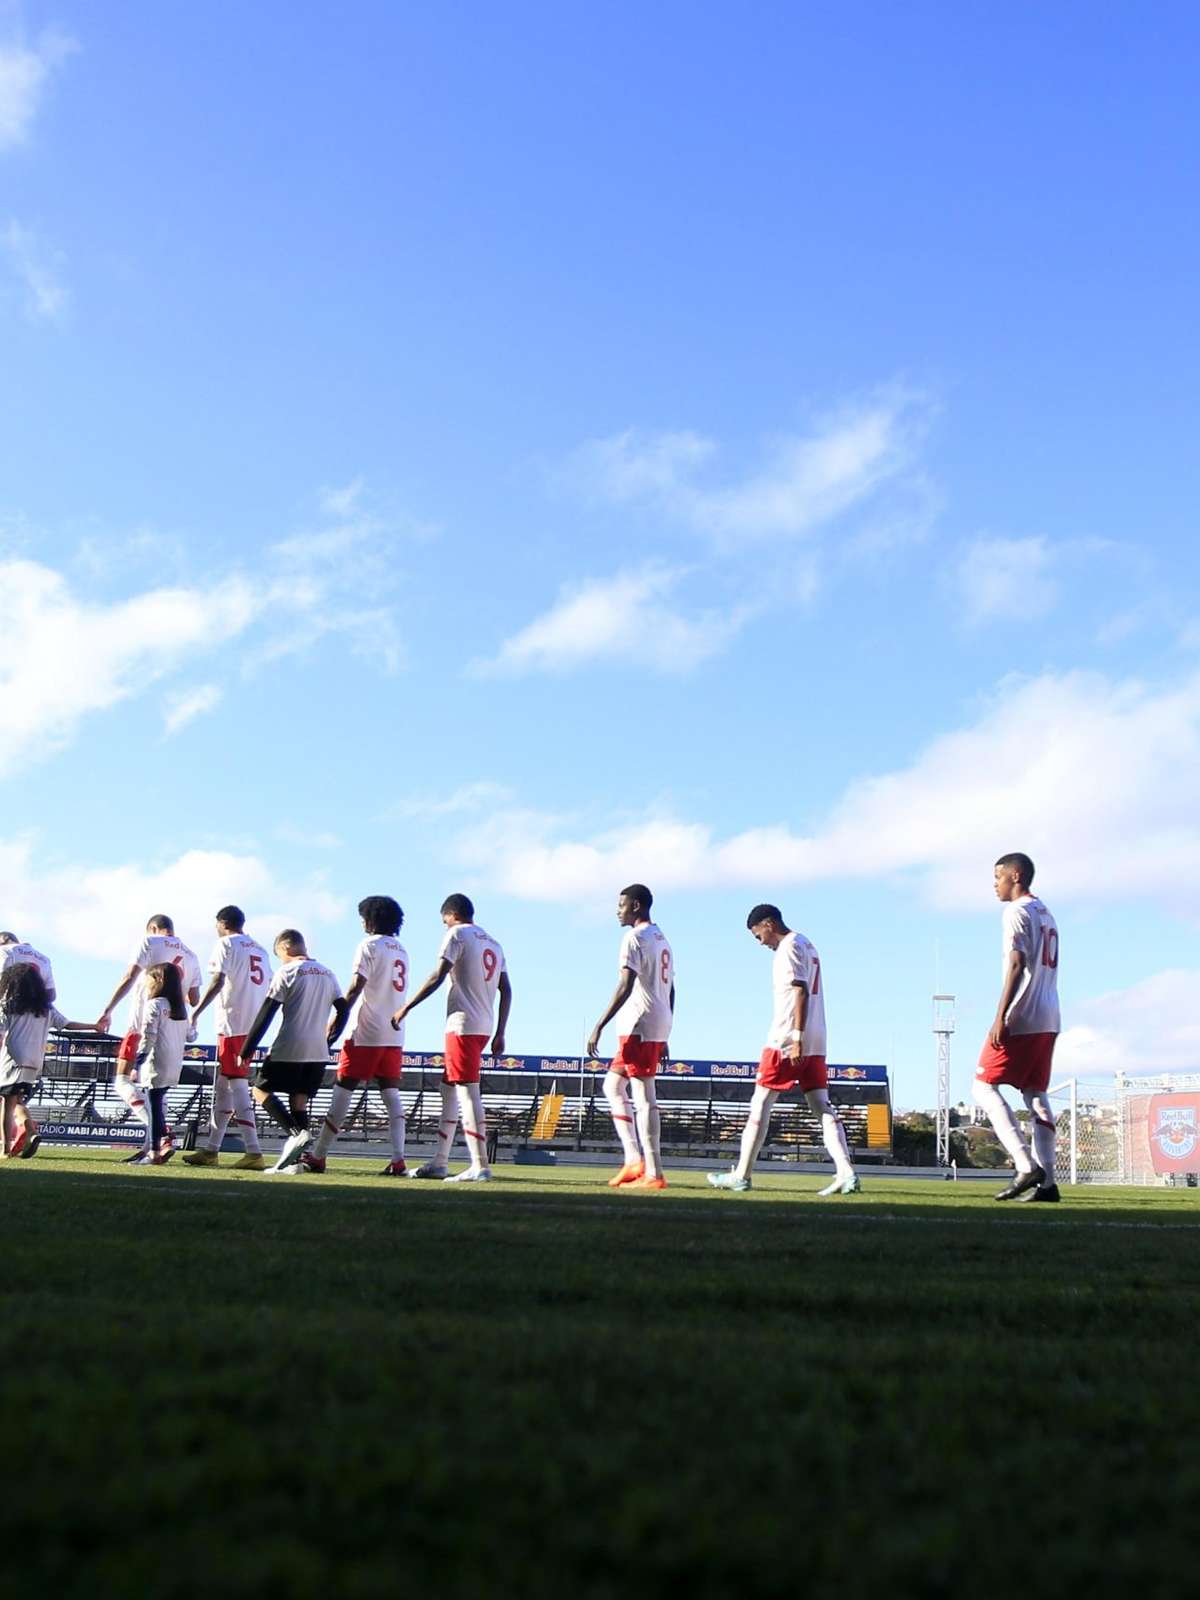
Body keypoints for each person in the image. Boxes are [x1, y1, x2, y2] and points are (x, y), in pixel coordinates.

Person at [709, 905, 859, 1196]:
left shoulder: (788, 948)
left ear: (769, 923)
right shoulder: (807, 943)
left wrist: (796, 1037)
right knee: (821, 1106)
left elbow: (799, 989)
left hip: (788, 1037)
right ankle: (846, 1171)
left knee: (760, 1103)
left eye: (758, 936)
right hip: (819, 1037)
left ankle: (741, 1175)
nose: (761, 943)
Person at [392, 893, 510, 1183]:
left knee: (468, 1090)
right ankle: (440, 1161)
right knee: (448, 1087)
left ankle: (480, 1164)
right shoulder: (493, 942)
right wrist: (501, 1031)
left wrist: (406, 1007)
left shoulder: (456, 934)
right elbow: (506, 989)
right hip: (483, 1024)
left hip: (462, 1023)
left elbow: (438, 975)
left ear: (451, 915)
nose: (444, 926)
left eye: (444, 920)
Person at [294, 895, 410, 1177]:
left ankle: (319, 1155)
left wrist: (338, 1015)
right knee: (391, 1093)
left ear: (371, 919)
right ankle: (398, 1160)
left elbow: (358, 984)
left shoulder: (368, 945)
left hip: (366, 1030)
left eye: (363, 917)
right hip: (394, 1033)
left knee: (343, 1089)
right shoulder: (401, 949)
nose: (361, 922)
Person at [973, 853, 1061, 1202]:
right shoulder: (1046, 913)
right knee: (1035, 1094)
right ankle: (1049, 1183)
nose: (995, 884)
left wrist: (1000, 1015)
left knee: (982, 1086)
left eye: (998, 877)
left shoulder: (1016, 912)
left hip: (1022, 1014)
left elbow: (1016, 963)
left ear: (1016, 875)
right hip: (1049, 1014)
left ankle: (1026, 1165)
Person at [587, 883, 674, 1191]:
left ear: (636, 906)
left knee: (643, 1095)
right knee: (612, 1085)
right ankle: (634, 1158)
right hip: (656, 1020)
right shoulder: (662, 939)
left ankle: (654, 1172)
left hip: (639, 1022)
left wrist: (599, 1023)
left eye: (621, 905)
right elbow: (671, 988)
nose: (617, 910)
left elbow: (625, 984)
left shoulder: (634, 938)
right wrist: (666, 1030)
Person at [238, 930, 345, 1173]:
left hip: (290, 1045)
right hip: (318, 1051)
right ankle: (299, 1162)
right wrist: (330, 1039)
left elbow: (268, 1011)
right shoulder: (328, 973)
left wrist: (247, 1049)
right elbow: (343, 1009)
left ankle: (296, 1133)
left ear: (285, 949)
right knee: (299, 1100)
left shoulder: (287, 971)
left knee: (259, 1090)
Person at [96, 916, 202, 1161]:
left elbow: (130, 975)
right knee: (158, 1092)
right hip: (175, 1026)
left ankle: (161, 1136)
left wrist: (107, 1010)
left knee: (122, 1081)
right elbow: (194, 999)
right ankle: (149, 1147)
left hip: (142, 1022)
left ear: (153, 928)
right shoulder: (192, 955)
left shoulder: (150, 941)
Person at [183, 906, 271, 1170]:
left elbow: (218, 980)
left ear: (222, 923)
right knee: (223, 1085)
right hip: (253, 1023)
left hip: (233, 1022)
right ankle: (212, 1149)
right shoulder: (261, 949)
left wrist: (196, 1013)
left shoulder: (226, 944)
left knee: (237, 1084)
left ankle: (254, 1151)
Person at [0, 963, 94, 1159]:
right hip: (34, 1063)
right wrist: (94, 1026)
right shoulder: (46, 1009)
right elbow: (67, 1024)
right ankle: (29, 1132)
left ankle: (6, 1148)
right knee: (17, 1100)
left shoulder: (9, 1005)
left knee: (6, 1105)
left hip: (12, 1060)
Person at [128, 963, 192, 1166]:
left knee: (154, 1106)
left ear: (158, 980)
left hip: (156, 1060)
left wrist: (137, 1063)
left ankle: (155, 1151)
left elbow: (149, 1037)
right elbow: (191, 1035)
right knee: (156, 1103)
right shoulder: (181, 1008)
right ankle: (161, 1144)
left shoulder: (155, 1005)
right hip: (174, 1063)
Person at [0, 932, 57, 1000]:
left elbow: (2, 981)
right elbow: (51, 995)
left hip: (12, 1002)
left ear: (6, 939)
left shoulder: (4, 950)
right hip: (35, 1006)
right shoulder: (45, 959)